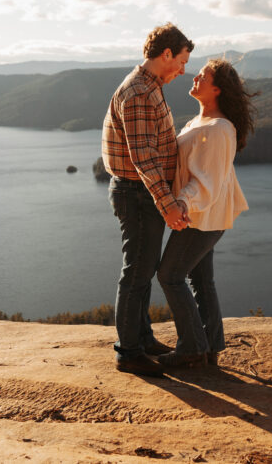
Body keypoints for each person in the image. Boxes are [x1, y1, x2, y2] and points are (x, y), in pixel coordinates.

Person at [103, 23, 194, 377]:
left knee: (143, 268)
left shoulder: (149, 86)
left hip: (140, 194)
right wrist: (168, 203)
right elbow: (143, 156)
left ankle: (141, 338)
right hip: (138, 195)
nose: (184, 70)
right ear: (166, 54)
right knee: (137, 273)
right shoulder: (140, 92)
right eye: (182, 61)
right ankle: (128, 353)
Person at [156, 58, 256, 369]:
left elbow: (208, 181)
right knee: (200, 278)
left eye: (203, 76)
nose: (195, 77)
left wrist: (182, 204)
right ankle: (210, 347)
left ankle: (191, 350)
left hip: (201, 217)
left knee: (169, 276)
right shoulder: (197, 124)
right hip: (203, 215)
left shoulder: (218, 128)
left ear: (217, 89)